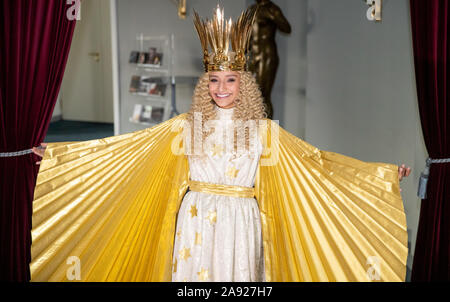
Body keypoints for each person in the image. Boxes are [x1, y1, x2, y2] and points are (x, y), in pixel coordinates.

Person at [31, 5, 411, 282]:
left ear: (243, 83)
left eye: (230, 80)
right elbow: (129, 150)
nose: (221, 88)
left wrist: (378, 176)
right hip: (195, 217)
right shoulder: (187, 126)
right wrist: (63, 156)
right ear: (205, 83)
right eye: (214, 80)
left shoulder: (263, 131)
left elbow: (315, 165)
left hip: (239, 220)